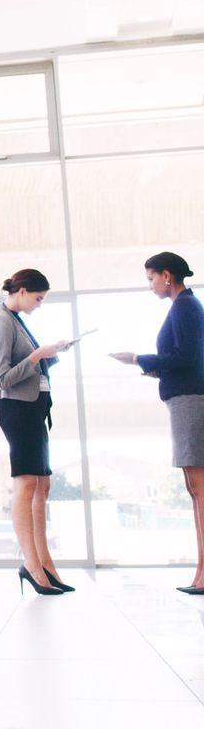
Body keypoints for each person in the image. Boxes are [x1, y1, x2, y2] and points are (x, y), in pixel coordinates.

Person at [109, 251, 204, 595]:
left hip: (191, 403)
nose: (150, 285)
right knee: (196, 489)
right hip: (186, 399)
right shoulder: (184, 307)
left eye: (151, 278)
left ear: (167, 275)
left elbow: (186, 358)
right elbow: (184, 360)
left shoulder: (185, 307)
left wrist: (138, 359)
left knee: (200, 488)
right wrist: (154, 369)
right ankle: (201, 572)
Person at [0, 268, 76, 595]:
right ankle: (32, 566)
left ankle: (44, 563)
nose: (38, 305)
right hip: (17, 409)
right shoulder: (0, 322)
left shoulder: (15, 321)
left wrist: (52, 354)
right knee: (26, 484)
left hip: (33, 406)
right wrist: (39, 354)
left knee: (42, 485)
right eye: (37, 298)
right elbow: (3, 379)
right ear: (21, 290)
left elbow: (28, 366)